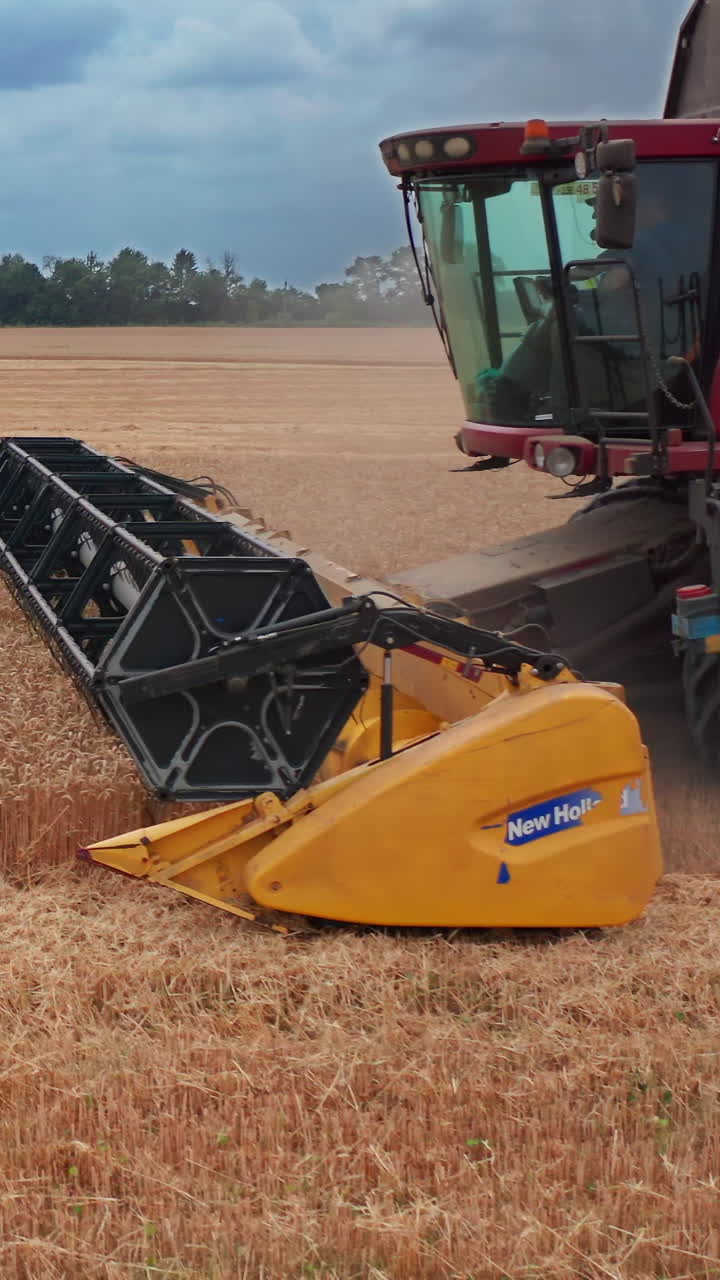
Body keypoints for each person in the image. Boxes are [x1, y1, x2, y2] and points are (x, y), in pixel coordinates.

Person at [475, 176, 702, 425]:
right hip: (677, 333)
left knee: (560, 321)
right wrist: (583, 292)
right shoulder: (690, 235)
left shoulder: (642, 240)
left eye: (599, 208)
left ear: (632, 207)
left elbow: (614, 279)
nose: (596, 218)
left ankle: (535, 404)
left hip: (641, 344)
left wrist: (566, 287)